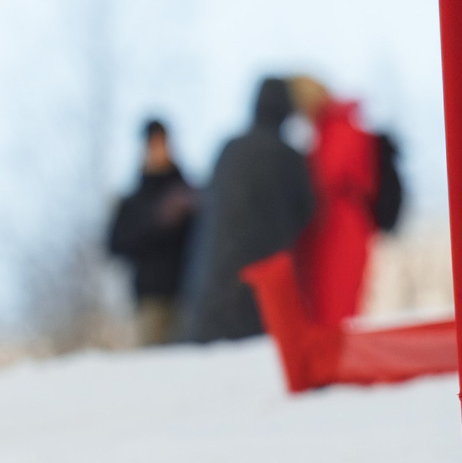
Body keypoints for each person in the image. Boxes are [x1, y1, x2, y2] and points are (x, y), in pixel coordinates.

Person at [182, 78, 314, 343]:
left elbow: (206, 207)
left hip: (212, 287)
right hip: (261, 289)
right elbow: (308, 212)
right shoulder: (289, 157)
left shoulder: (229, 148)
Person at [288, 75, 379, 326]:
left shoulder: (337, 129)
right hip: (336, 230)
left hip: (338, 233)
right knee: (330, 312)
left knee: (333, 313)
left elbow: (328, 179)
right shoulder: (334, 128)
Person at [106, 118, 197, 346]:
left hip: (190, 294)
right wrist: (158, 221)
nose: (160, 150)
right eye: (153, 144)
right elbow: (114, 245)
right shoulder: (134, 202)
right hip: (152, 301)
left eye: (163, 143)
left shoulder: (189, 193)